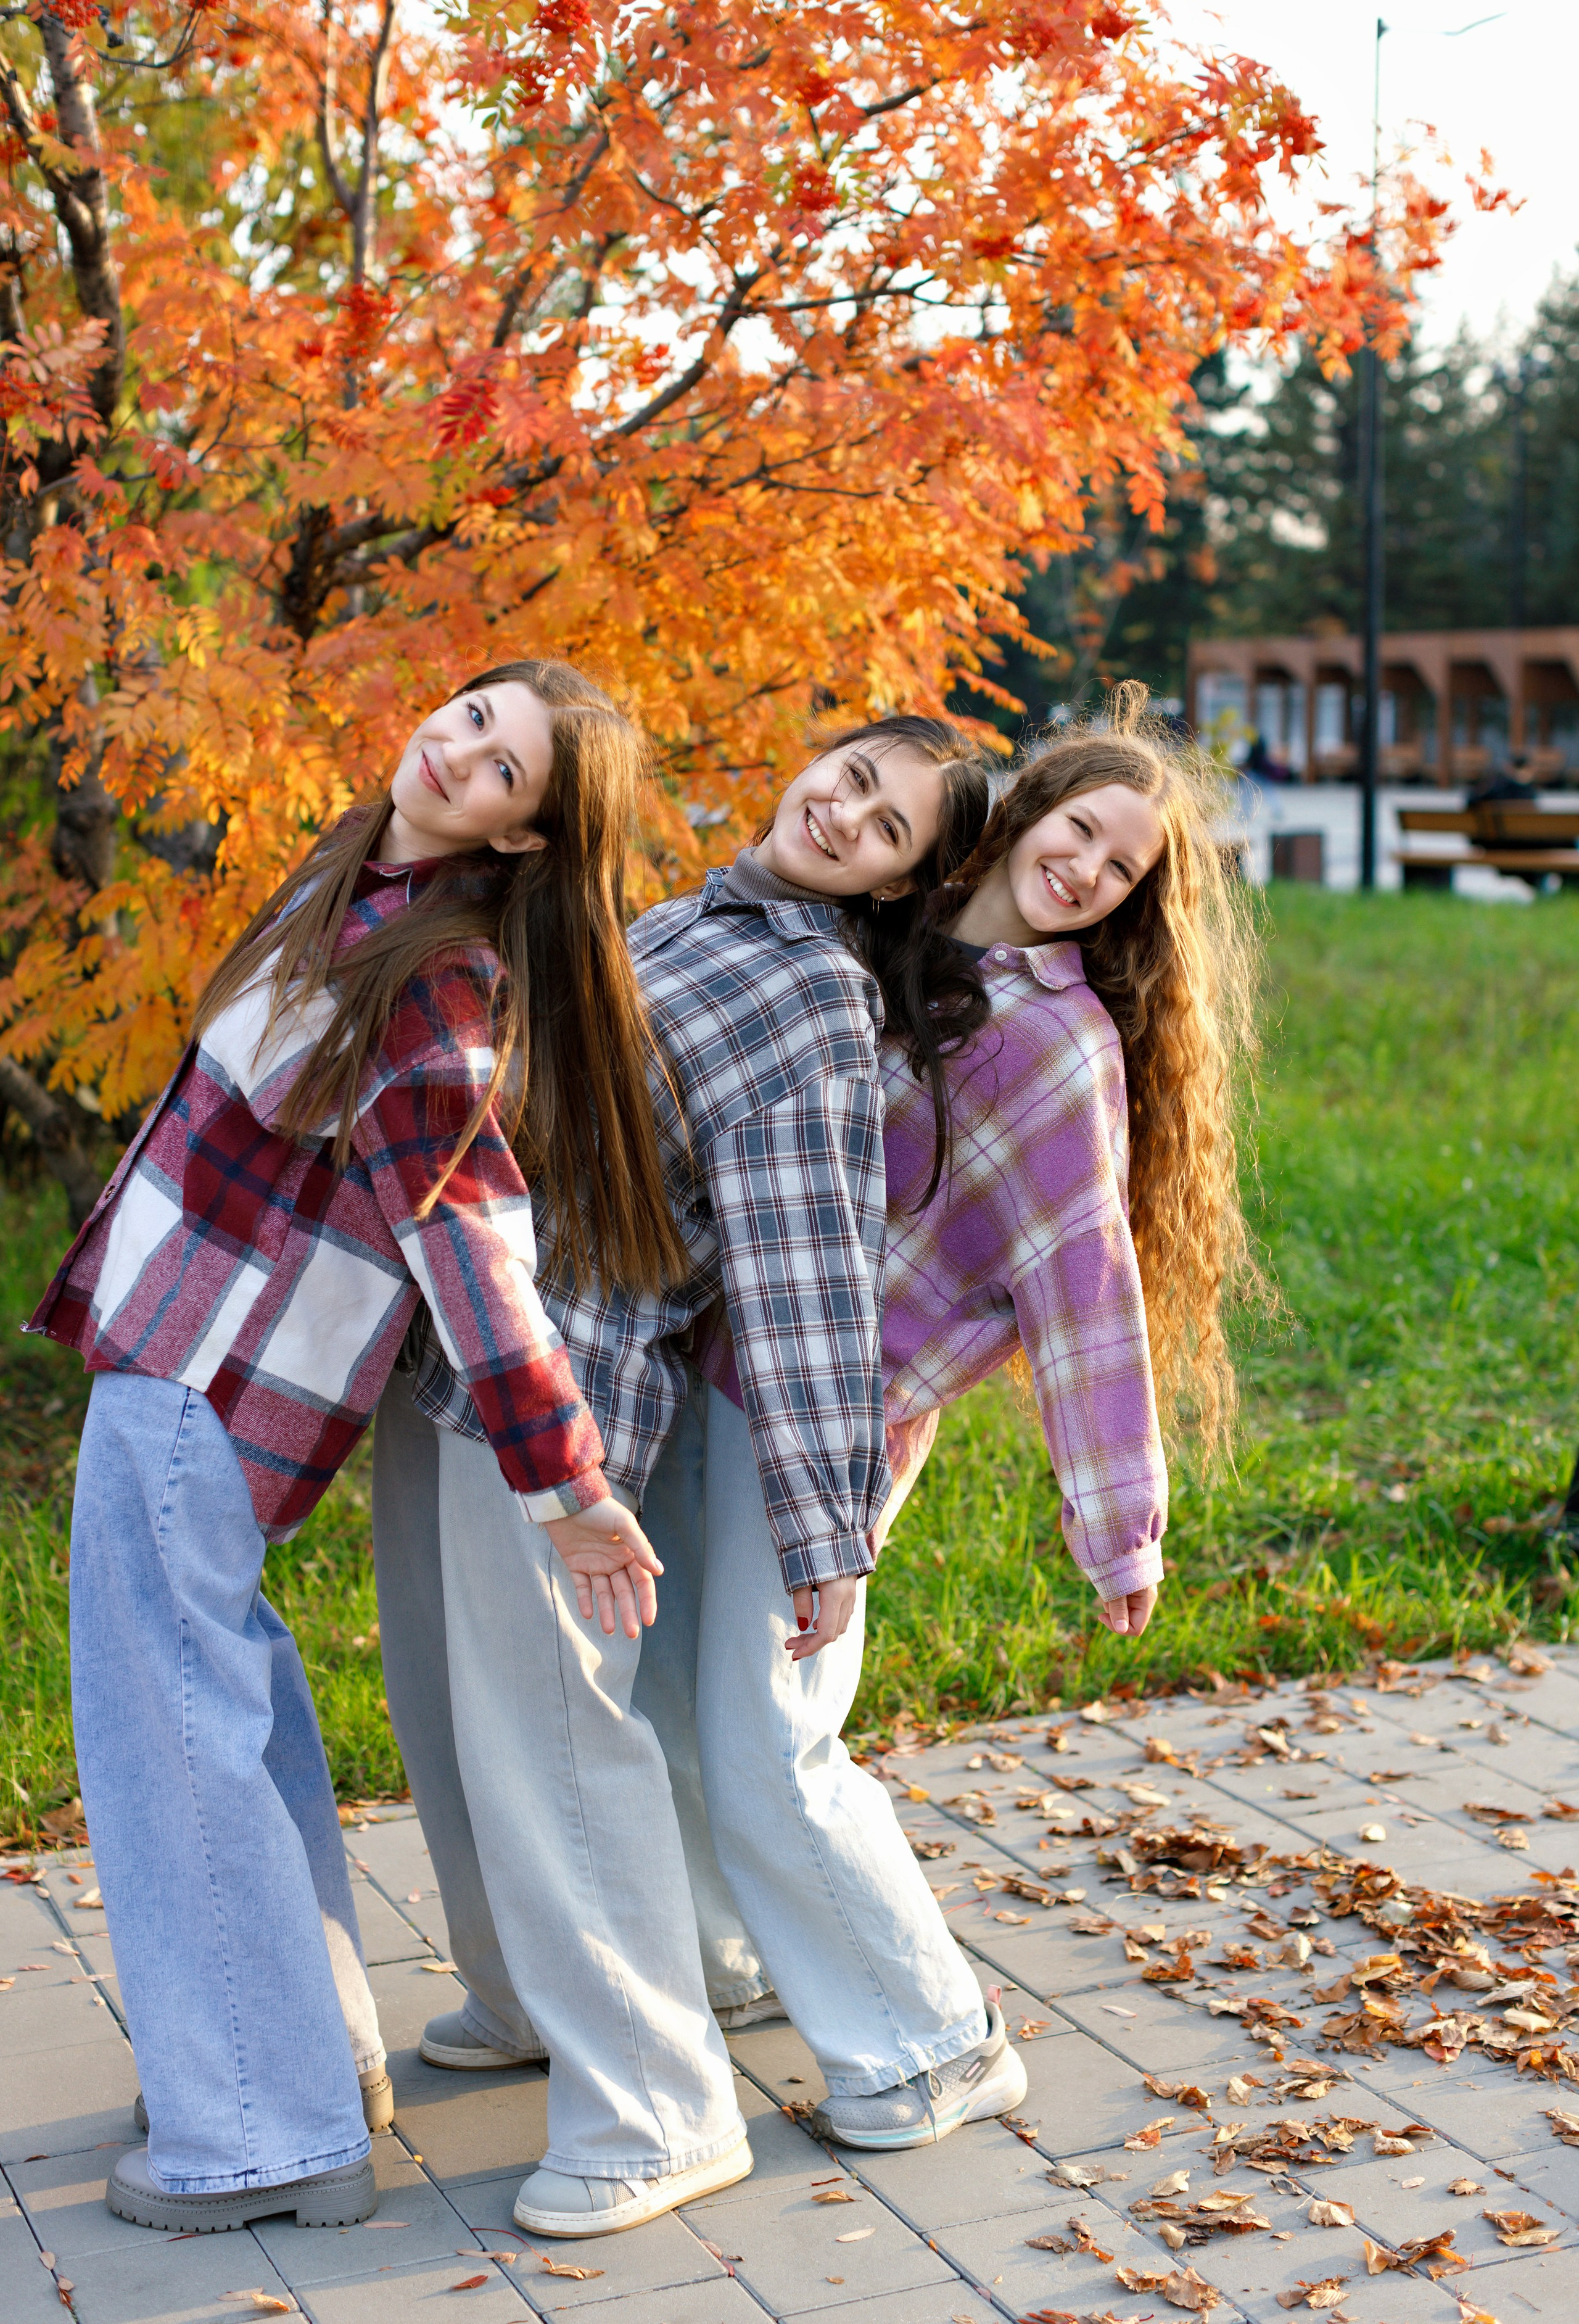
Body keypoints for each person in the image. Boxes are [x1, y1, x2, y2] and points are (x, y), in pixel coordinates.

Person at [28, 660, 685, 2233]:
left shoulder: (434, 979)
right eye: (468, 718)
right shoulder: (361, 884)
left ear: (529, 838)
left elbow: (470, 1241)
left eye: (507, 769)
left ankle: (263, 2128)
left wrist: (565, 1483)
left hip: (210, 1389)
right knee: (226, 1723)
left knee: (170, 1744)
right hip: (178, 1365)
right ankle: (301, 2063)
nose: (460, 755)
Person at [374, 713, 996, 2233]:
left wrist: (822, 1531)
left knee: (556, 1745)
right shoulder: (692, 913)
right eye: (850, 774)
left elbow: (803, 1288)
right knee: (451, 1719)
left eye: (891, 824)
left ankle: (659, 2108)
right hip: (461, 1341)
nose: (846, 812)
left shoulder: (809, 1001)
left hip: (567, 1379)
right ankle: (533, 1994)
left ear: (905, 881)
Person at [683, 681, 1257, 2148]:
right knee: (691, 1709)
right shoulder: (886, 943)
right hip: (715, 1372)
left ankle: (934, 2042)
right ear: (1026, 812)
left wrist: (1118, 1526)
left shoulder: (1056, 1049)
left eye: (1120, 870)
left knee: (774, 1735)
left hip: (836, 1423)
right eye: (1079, 830)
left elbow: (1084, 1288)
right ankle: (732, 1960)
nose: (1085, 869)